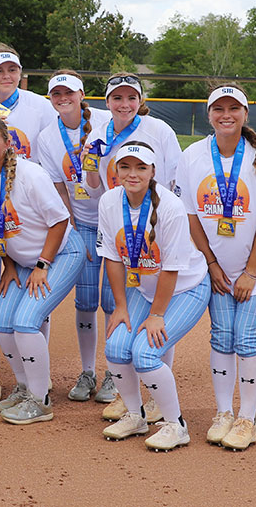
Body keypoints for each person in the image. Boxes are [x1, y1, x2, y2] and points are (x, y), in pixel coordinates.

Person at [176, 84, 256, 450]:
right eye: (219, 108)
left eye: (234, 108)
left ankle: (247, 419)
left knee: (246, 338)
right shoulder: (192, 155)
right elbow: (190, 215)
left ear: (245, 113)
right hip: (217, 269)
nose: (226, 115)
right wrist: (210, 263)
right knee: (222, 336)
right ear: (209, 114)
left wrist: (251, 272)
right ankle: (224, 413)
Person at [84, 72, 184, 423]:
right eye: (117, 98)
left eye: (131, 98)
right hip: (120, 221)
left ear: (140, 101)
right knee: (121, 309)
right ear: (106, 102)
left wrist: (168, 219)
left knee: (158, 316)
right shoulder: (98, 134)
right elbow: (93, 189)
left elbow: (176, 180)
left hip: (155, 221)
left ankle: (155, 399)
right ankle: (129, 395)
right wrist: (90, 162)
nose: (124, 105)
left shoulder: (159, 130)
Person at [0, 117, 85, 425]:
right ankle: (24, 388)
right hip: (21, 263)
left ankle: (41, 399)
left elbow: (60, 221)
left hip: (60, 253)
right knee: (3, 322)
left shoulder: (30, 174)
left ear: (7, 143)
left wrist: (42, 265)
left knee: (25, 321)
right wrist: (8, 264)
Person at [98, 142, 209, 450]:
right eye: (125, 166)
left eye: (140, 167)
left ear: (153, 172)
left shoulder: (169, 207)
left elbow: (172, 270)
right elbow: (113, 257)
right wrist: (121, 306)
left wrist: (156, 315)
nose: (132, 174)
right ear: (116, 169)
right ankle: (135, 416)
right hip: (144, 288)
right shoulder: (109, 201)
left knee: (145, 353)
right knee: (116, 347)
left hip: (186, 288)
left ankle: (176, 424)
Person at [36, 70, 116, 403]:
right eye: (56, 94)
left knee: (113, 302)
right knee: (85, 302)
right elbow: (58, 190)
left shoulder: (105, 122)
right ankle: (88, 372)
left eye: (69, 92)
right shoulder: (47, 137)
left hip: (116, 224)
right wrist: (71, 230)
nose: (63, 98)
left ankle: (114, 372)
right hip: (81, 223)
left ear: (82, 93)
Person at [0, 44, 57, 162]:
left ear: (19, 74)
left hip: (29, 177)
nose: (6, 76)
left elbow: (55, 145)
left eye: (12, 70)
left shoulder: (40, 105)